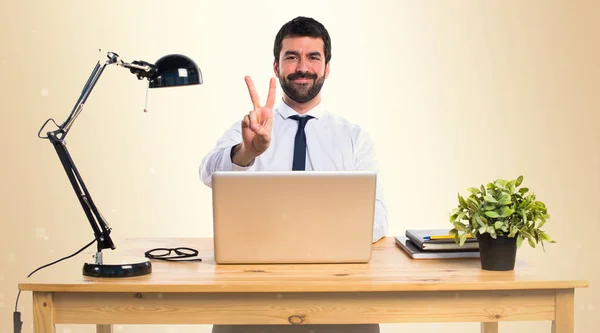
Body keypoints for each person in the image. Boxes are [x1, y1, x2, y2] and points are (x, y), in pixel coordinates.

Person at [200, 16, 386, 333]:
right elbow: (208, 172)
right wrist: (248, 152)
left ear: (328, 67)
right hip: (253, 289)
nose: (303, 67)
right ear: (276, 66)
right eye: (292, 57)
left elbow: (377, 217)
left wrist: (312, 237)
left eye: (313, 57)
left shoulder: (354, 137)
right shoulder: (253, 125)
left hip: (337, 291)